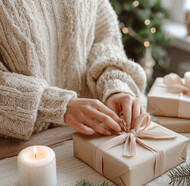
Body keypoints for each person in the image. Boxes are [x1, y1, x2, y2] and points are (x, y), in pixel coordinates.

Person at [0, 0, 146, 140]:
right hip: (21, 146)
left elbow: (104, 39)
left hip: (92, 133)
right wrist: (56, 105)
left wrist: (114, 85)